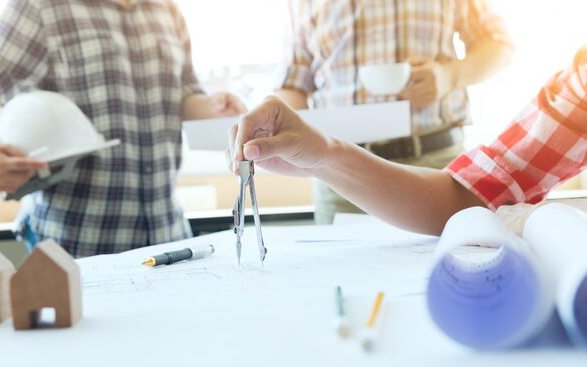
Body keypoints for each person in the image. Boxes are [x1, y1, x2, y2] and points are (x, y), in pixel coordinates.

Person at [0, 0, 245, 257]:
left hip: (166, 235)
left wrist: (212, 107)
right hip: (74, 242)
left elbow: (183, 96)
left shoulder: (166, 9)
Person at [227, 45, 587, 236]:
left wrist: (449, 74)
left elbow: (498, 42)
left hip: (433, 148)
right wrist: (321, 154)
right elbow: (468, 195)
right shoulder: (580, 85)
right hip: (359, 176)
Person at [276, 0, 514, 223]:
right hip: (340, 178)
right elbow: (292, 84)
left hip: (437, 164)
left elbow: (497, 43)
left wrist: (448, 76)